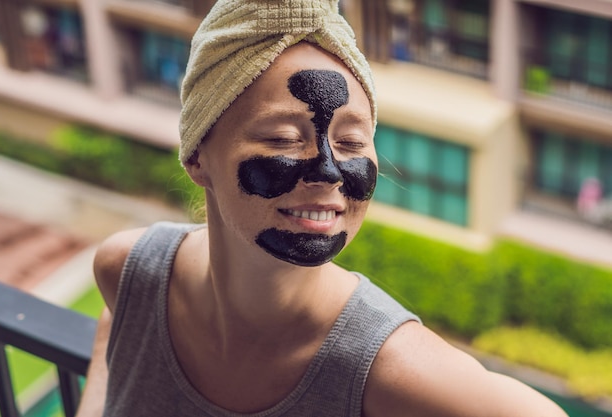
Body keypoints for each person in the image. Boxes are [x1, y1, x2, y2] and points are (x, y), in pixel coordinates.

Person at [76, 0, 569, 416]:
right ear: (198, 157)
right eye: (282, 139)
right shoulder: (127, 270)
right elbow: (115, 334)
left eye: (352, 142)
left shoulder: (386, 366)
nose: (329, 172)